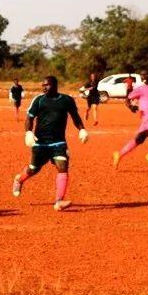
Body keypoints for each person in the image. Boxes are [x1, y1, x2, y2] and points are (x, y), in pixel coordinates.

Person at [11, 76, 88, 211]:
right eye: (43, 85)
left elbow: (75, 116)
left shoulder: (67, 100)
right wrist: (28, 132)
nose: (44, 87)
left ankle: (59, 201)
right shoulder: (39, 100)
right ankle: (19, 180)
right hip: (40, 143)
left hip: (58, 142)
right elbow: (29, 118)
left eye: (46, 85)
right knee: (34, 169)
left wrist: (82, 129)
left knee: (63, 167)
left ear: (55, 85)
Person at [113, 70, 148, 169]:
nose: (146, 76)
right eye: (144, 75)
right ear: (142, 78)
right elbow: (127, 99)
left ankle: (119, 154)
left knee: (139, 139)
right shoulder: (141, 89)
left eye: (147, 74)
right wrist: (131, 107)